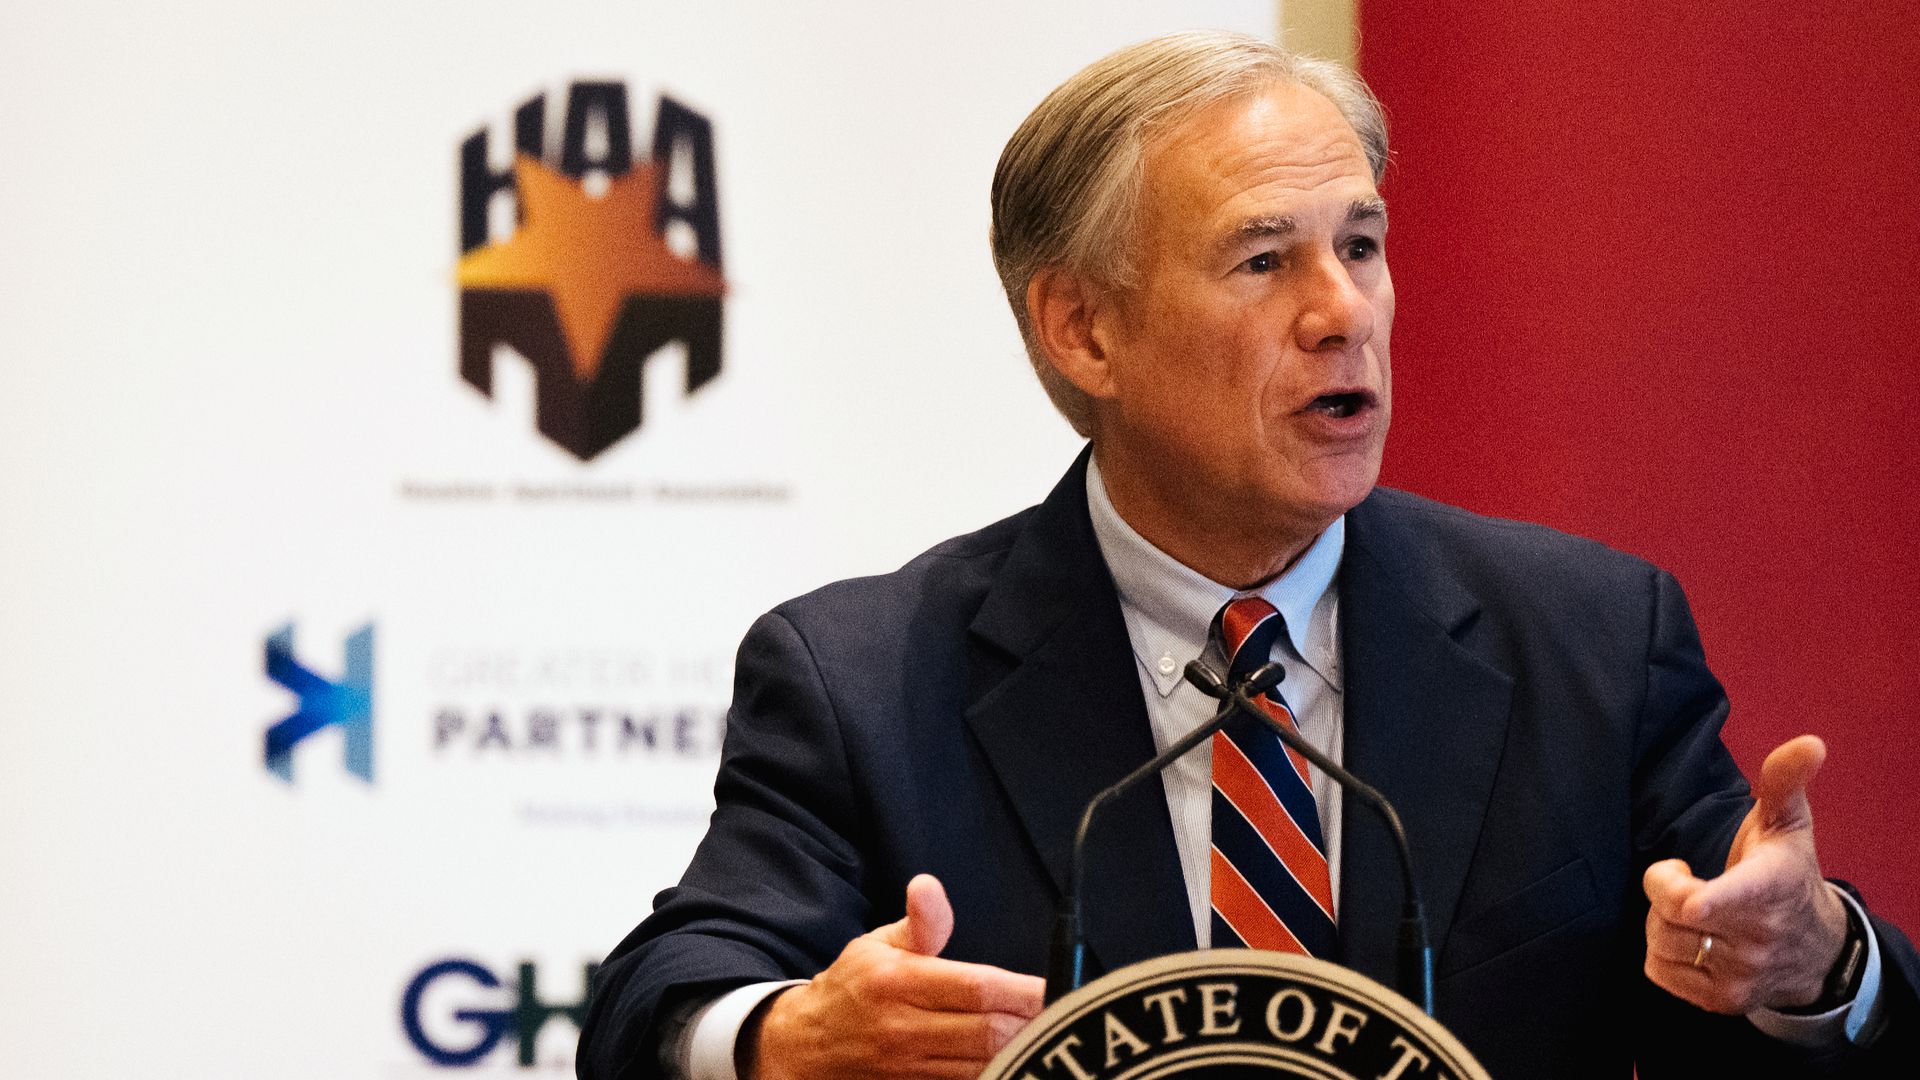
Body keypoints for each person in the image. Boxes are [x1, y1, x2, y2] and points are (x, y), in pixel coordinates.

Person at [577, 30, 1917, 1080]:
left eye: (1363, 246)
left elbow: (1737, 1006)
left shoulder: (1586, 641)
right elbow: (663, 996)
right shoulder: (867, 679)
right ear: (1083, 330)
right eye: (1265, 259)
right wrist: (780, 1040)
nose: (1345, 313)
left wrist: (1808, 966)